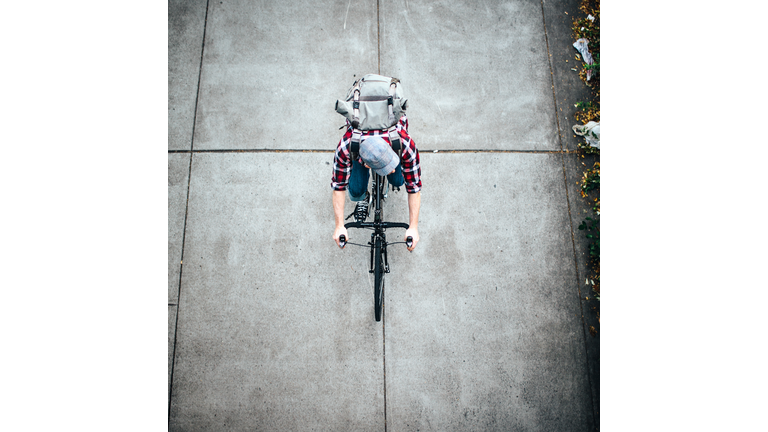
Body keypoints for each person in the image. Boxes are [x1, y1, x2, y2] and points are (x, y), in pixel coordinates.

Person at [331, 115, 421, 252]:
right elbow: (338, 186)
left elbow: (414, 187)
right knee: (355, 191)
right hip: (360, 148)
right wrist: (339, 226)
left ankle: (386, 180)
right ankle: (365, 197)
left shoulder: (405, 144)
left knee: (398, 180)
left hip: (392, 143)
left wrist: (413, 227)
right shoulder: (347, 145)